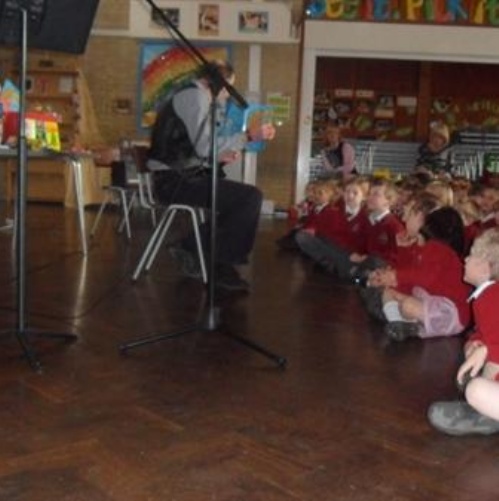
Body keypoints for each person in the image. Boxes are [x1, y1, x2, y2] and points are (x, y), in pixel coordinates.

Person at [147, 60, 275, 292]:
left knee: (241, 201)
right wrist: (247, 136)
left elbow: (200, 150)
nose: (227, 95)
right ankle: (219, 264)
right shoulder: (195, 96)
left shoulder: (195, 96)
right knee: (249, 198)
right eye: (227, 88)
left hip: (178, 176)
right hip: (172, 181)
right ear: (215, 82)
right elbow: (205, 147)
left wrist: (220, 156)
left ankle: (192, 246)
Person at [427, 228, 499, 436]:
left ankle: (484, 414)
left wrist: (486, 351)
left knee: (475, 390)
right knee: (473, 382)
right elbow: (486, 331)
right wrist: (475, 342)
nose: (465, 259)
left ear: (485, 268)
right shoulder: (486, 295)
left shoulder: (491, 296)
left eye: (471, 255)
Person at [368, 202, 471, 341]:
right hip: (428, 305)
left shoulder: (438, 249)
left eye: (411, 214)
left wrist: (395, 276)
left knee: (408, 305)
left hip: (448, 312)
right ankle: (398, 323)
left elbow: (424, 277)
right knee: (390, 293)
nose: (404, 219)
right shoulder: (422, 248)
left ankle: (408, 325)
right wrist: (401, 255)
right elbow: (409, 276)